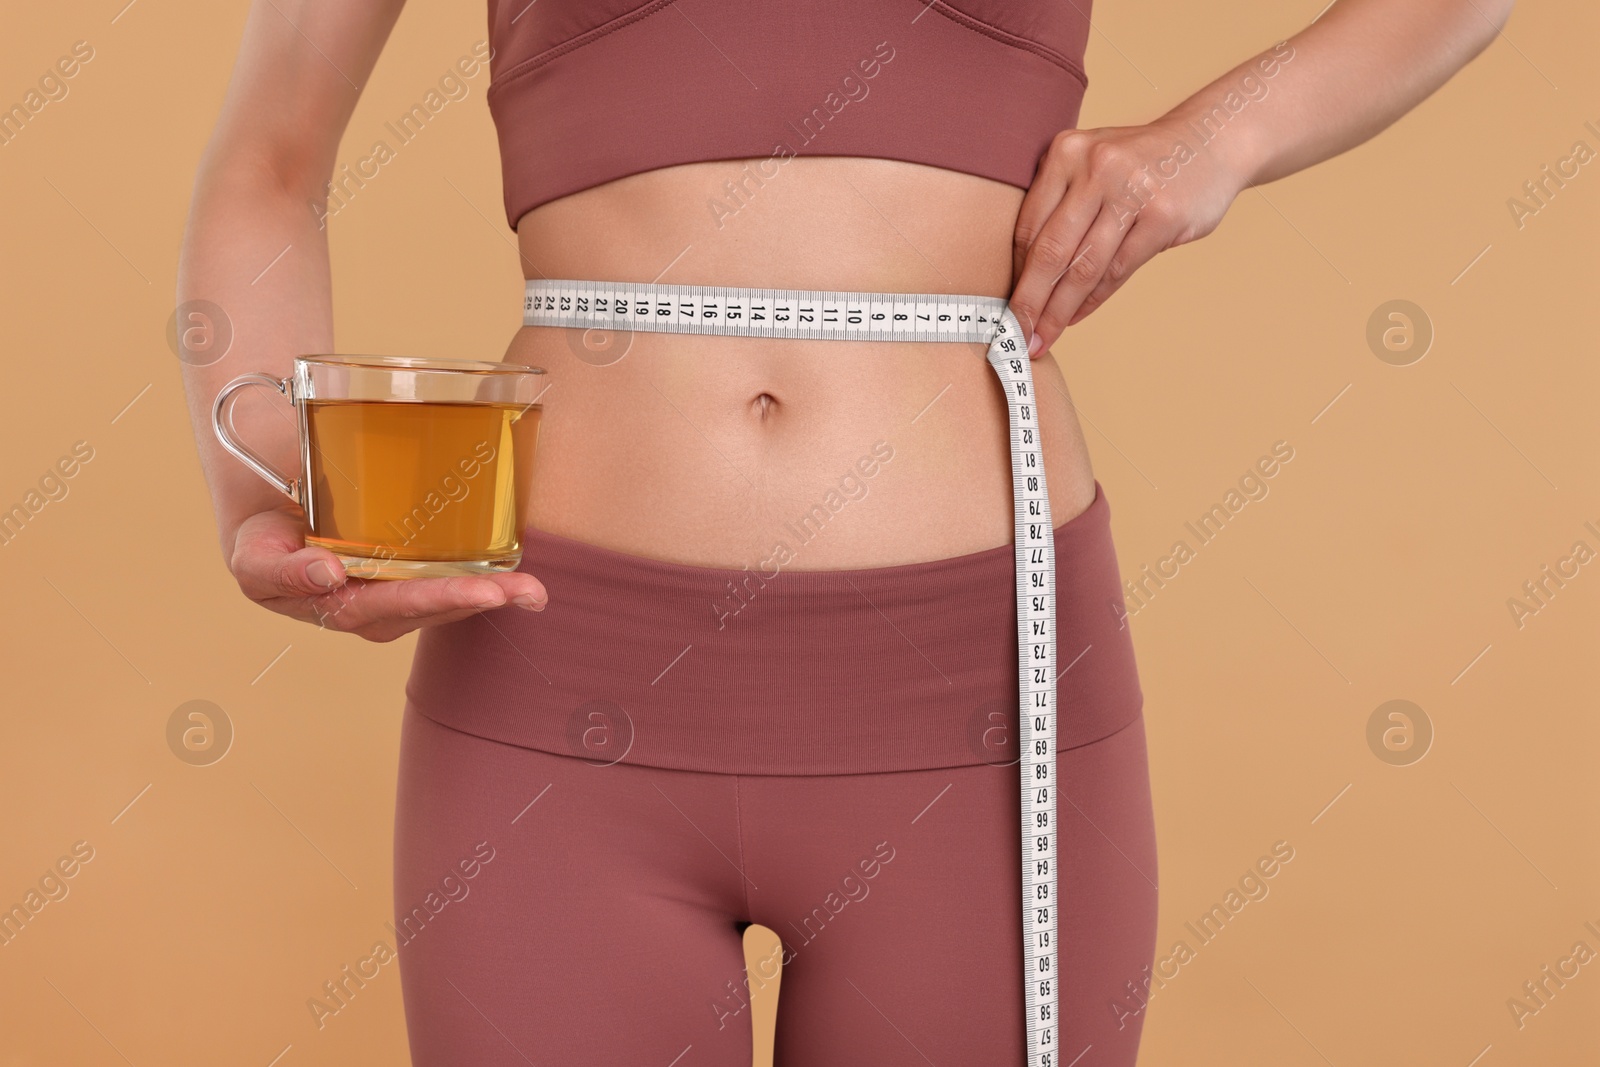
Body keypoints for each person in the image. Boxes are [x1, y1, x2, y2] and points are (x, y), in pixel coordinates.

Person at [177, 1, 1512, 1062]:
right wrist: (268, 498)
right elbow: (270, 155)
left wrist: (1218, 136)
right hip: (557, 673)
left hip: (980, 693)